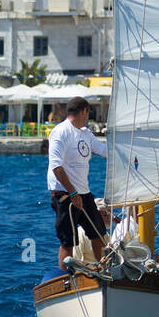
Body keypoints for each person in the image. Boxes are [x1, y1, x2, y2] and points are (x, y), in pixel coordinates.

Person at [47, 97, 108, 265]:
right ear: (83, 111)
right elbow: (56, 167)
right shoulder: (61, 132)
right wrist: (73, 192)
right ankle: (65, 277)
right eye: (89, 113)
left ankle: (104, 270)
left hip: (84, 194)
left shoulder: (86, 133)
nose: (89, 117)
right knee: (68, 242)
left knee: (98, 234)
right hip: (66, 195)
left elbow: (103, 150)